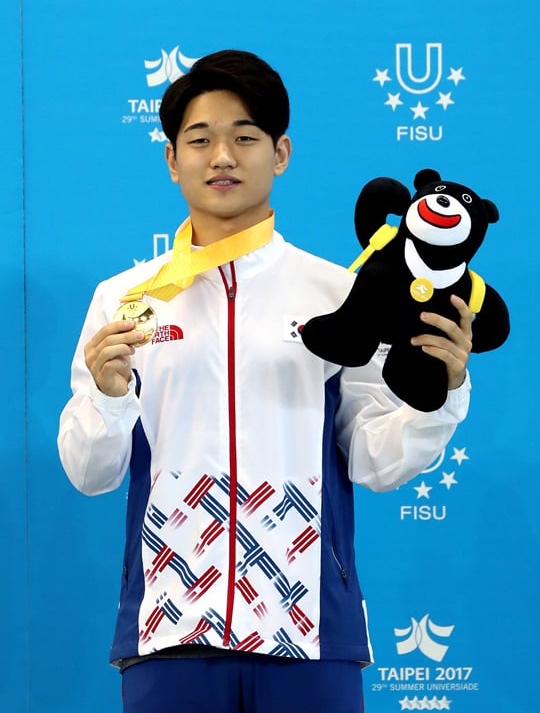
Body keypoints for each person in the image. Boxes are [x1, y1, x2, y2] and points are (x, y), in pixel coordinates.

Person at [58, 49, 473, 713]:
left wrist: (440, 397)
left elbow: (374, 459)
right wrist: (109, 401)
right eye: (200, 139)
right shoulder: (126, 300)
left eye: (245, 137)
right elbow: (90, 472)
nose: (222, 156)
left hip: (311, 628)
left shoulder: (340, 296)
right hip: (168, 626)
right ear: (172, 160)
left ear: (280, 153)